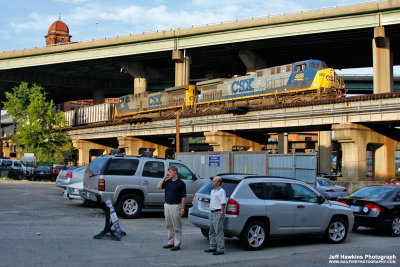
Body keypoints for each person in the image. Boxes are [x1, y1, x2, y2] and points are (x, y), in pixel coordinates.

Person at [157, 165, 186, 251]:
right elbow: (159, 186)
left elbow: (183, 197)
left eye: (170, 171)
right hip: (167, 205)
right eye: (168, 171)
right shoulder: (168, 181)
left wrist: (182, 209)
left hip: (175, 205)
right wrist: (164, 178)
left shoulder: (181, 183)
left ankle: (177, 243)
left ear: (175, 172)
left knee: (176, 225)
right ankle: (171, 242)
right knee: (169, 225)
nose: (168, 173)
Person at [204, 176, 226, 255]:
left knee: (218, 231)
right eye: (212, 181)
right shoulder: (212, 191)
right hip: (212, 212)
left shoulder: (222, 191)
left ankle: (220, 249)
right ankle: (212, 246)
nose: (212, 182)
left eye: (214, 181)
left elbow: (223, 203)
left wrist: (221, 213)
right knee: (211, 231)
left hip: (217, 212)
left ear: (219, 183)